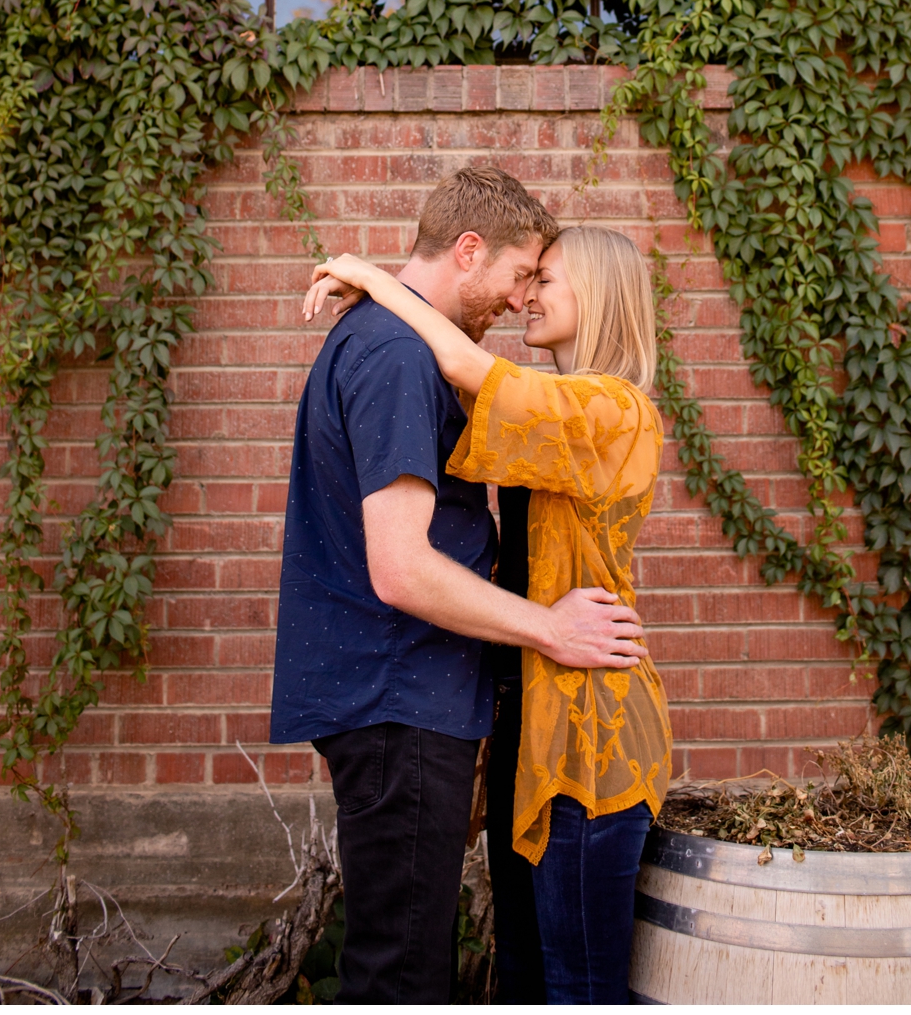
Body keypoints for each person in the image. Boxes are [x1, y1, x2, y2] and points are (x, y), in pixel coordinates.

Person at [267, 163, 646, 1004]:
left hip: (415, 696)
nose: (521, 301)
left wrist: (369, 276)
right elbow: (401, 568)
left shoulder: (409, 348)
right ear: (470, 252)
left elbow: (489, 387)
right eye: (520, 276)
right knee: (402, 972)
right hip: (400, 693)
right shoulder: (399, 355)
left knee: (409, 956)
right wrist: (549, 626)